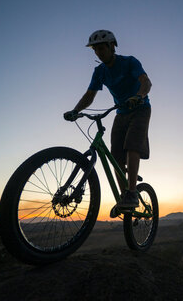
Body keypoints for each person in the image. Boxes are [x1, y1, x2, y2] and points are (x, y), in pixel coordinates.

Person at [63, 30, 152, 209]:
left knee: (132, 146)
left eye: (101, 48)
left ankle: (132, 193)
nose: (98, 53)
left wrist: (139, 96)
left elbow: (146, 82)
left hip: (140, 108)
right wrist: (75, 110)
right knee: (116, 156)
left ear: (112, 46)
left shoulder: (129, 62)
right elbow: (90, 95)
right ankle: (123, 198)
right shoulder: (100, 71)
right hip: (120, 113)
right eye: (95, 50)